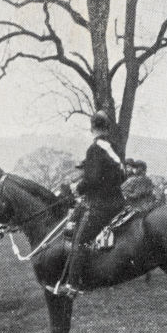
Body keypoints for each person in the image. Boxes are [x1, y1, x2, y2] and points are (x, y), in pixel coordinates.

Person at [54, 110, 126, 298]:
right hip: (119, 202)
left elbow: (92, 179)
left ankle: (73, 285)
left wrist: (78, 189)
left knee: (79, 241)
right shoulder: (115, 148)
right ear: (107, 129)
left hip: (102, 205)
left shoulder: (94, 149)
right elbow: (122, 174)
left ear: (92, 128)